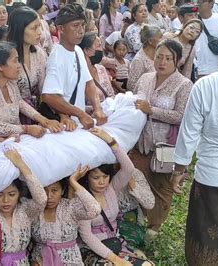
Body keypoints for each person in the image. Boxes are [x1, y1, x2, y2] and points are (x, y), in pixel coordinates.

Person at [172, 23, 218, 265]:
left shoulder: (207, 85)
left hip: (214, 179)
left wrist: (179, 170)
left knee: (206, 248)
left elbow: (188, 133)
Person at [130, 39, 193, 239]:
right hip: (140, 141)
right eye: (159, 57)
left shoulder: (183, 84)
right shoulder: (146, 78)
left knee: (161, 185)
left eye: (168, 58)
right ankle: (136, 219)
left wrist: (153, 111)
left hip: (165, 145)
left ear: (178, 61)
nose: (162, 62)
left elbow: (181, 115)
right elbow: (134, 100)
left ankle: (154, 227)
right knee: (136, 180)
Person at [78, 127, 152, 265]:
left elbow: (128, 168)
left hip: (116, 243)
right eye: (96, 178)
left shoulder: (111, 189)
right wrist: (115, 259)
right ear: (87, 178)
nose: (101, 182)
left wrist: (111, 141)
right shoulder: (83, 199)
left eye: (105, 176)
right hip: (92, 250)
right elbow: (87, 237)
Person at [0, 42, 62, 151]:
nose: (19, 65)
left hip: (10, 142)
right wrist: (26, 129)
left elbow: (20, 103)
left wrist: (44, 120)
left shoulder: (11, 83)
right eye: (15, 61)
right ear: (0, 66)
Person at [0, 149, 47, 265]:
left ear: (19, 194)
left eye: (11, 194)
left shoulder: (25, 211)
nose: (6, 200)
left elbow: (41, 199)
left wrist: (21, 164)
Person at [41, 3, 107, 131]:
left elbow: (88, 83)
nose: (81, 30)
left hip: (78, 123)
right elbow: (49, 96)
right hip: (65, 125)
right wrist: (80, 114)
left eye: (82, 24)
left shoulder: (77, 50)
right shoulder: (57, 57)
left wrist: (97, 108)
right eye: (75, 25)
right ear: (61, 29)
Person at [30, 167, 101, 265]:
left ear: (62, 191)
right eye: (44, 191)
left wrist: (73, 181)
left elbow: (94, 209)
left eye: (54, 190)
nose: (49, 196)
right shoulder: (34, 210)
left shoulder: (70, 207)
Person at [8, 7, 48, 124]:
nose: (40, 32)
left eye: (39, 26)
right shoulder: (8, 57)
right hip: (15, 116)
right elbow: (14, 98)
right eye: (34, 28)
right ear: (20, 30)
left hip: (38, 112)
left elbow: (44, 88)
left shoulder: (39, 53)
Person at [194, 0, 218, 78]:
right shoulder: (192, 20)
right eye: (197, 1)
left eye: (202, 1)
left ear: (211, 3)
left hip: (214, 68)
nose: (198, 3)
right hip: (196, 67)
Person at [79, 32, 116, 102]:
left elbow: (111, 94)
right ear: (87, 50)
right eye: (98, 46)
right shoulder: (79, 75)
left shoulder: (101, 69)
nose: (101, 49)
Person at [128, 25, 162, 92]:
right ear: (150, 41)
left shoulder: (159, 54)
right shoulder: (139, 60)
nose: (163, 40)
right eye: (160, 37)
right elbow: (131, 86)